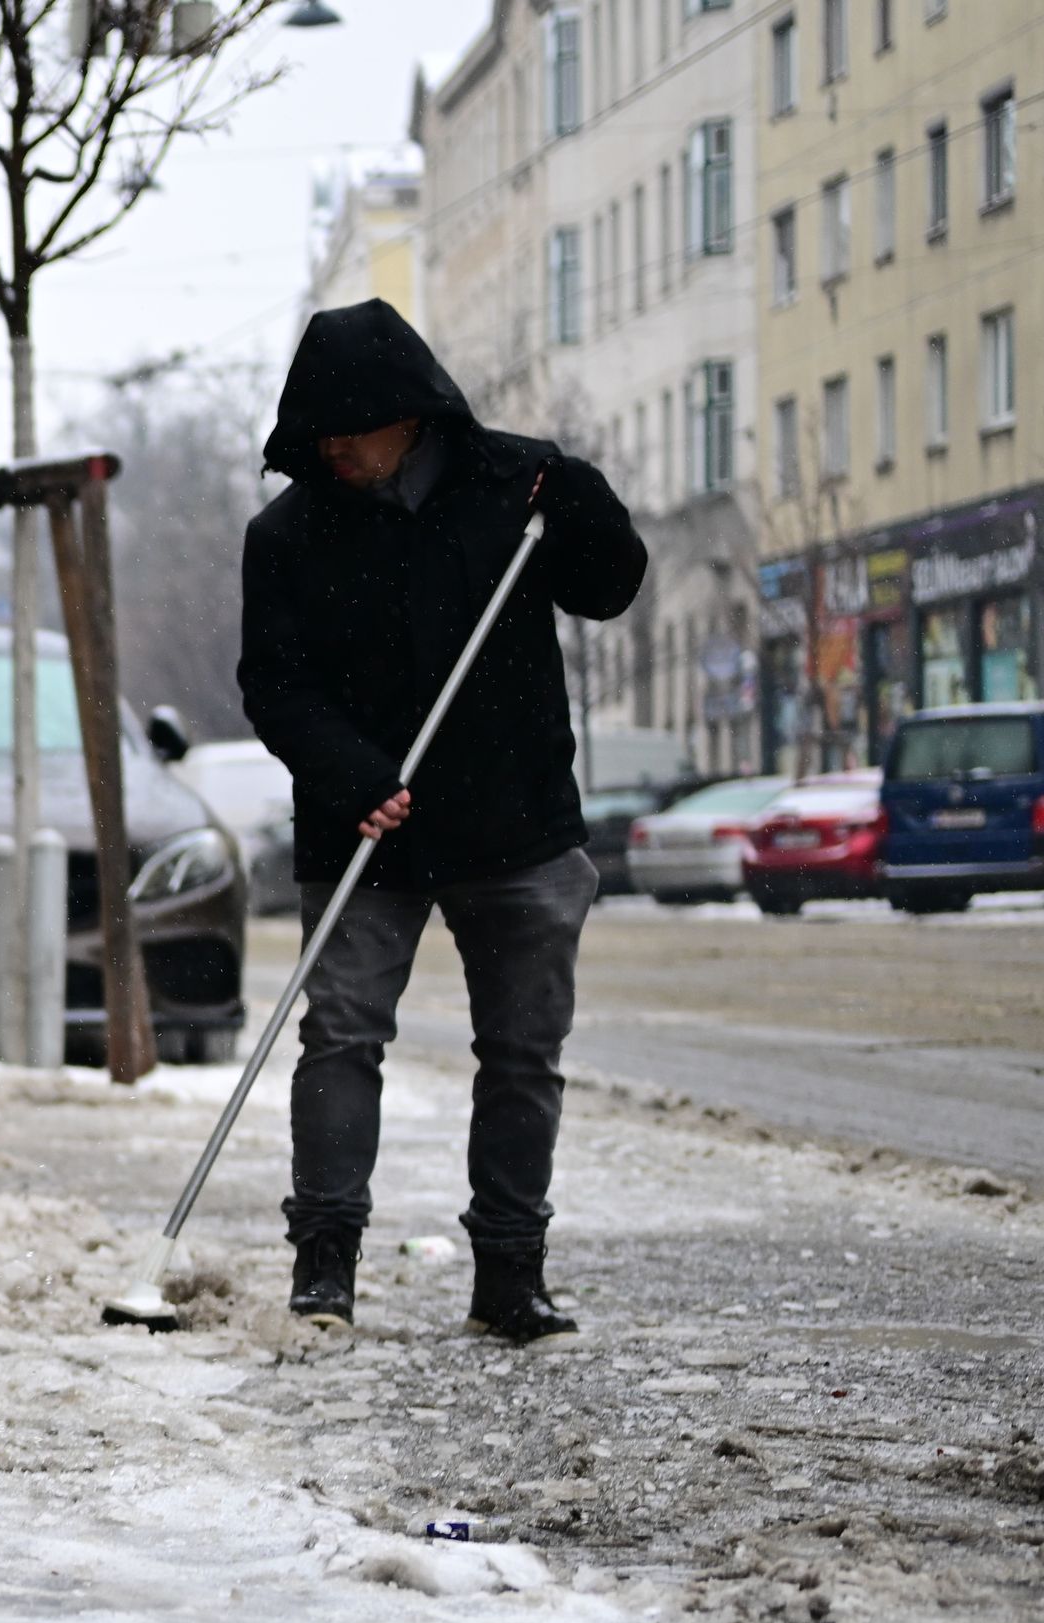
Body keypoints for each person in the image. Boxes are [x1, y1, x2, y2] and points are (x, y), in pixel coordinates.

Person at [239, 300, 645, 1343]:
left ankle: (510, 1270)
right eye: (316, 435)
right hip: (364, 831)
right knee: (339, 1038)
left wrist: (584, 499)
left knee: (520, 1052)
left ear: (409, 416)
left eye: (349, 432)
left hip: (517, 826)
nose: (331, 450)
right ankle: (323, 1265)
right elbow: (273, 687)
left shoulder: (518, 490)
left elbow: (608, 588)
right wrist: (350, 775)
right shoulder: (285, 533)